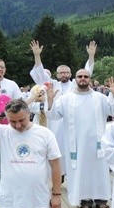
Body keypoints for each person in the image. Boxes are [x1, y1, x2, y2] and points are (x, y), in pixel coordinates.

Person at [47, 69, 114, 208]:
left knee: (99, 172)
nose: (83, 78)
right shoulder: (66, 99)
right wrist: (50, 100)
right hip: (77, 146)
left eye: (85, 76)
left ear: (89, 79)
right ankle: (85, 201)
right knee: (81, 173)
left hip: (97, 145)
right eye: (80, 76)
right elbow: (53, 115)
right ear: (75, 79)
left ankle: (102, 200)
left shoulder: (100, 97)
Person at [30, 39, 96, 181]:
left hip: (74, 122)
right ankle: (58, 175)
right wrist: (37, 56)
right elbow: (40, 74)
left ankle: (74, 176)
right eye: (61, 73)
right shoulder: (51, 85)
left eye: (67, 72)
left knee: (74, 150)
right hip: (55, 123)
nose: (64, 75)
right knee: (57, 149)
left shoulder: (75, 85)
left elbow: (87, 72)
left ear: (71, 74)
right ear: (57, 74)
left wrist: (91, 56)